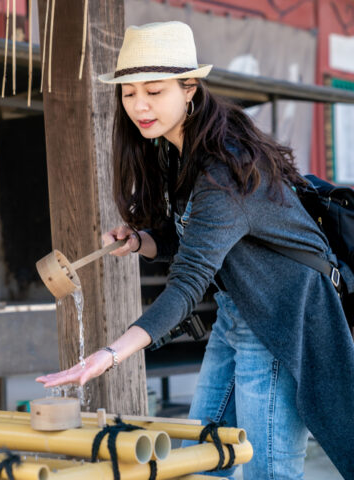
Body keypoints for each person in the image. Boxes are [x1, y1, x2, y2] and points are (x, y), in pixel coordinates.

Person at [35, 21, 354, 479]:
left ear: (189, 89)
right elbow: (193, 235)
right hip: (236, 315)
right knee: (197, 461)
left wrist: (109, 355)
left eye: (154, 90)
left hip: (285, 318)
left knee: (269, 472)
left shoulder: (223, 167)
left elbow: (188, 283)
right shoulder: (174, 150)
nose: (139, 105)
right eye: (129, 93)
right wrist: (143, 241)